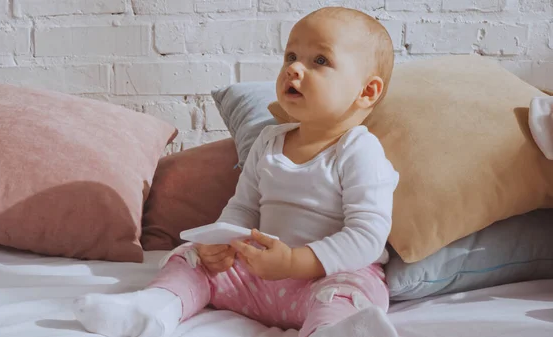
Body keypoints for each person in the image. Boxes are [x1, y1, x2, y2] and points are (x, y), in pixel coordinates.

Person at [73, 6, 399, 337]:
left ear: (366, 92)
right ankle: (152, 308)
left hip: (325, 279)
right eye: (290, 56)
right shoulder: (270, 141)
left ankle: (331, 331)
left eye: (319, 61)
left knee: (348, 294)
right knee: (191, 258)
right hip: (258, 281)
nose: (294, 69)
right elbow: (244, 207)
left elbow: (367, 235)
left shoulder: (358, 151)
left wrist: (295, 263)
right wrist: (224, 244)